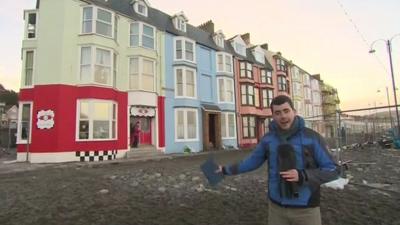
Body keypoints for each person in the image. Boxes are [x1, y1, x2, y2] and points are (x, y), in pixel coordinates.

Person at [218, 95, 338, 225]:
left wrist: (303, 175)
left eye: (286, 111)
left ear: (294, 112)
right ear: (273, 117)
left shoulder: (313, 138)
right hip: (276, 209)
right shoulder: (268, 140)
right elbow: (250, 162)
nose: (283, 116)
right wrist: (224, 170)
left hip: (306, 210)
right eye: (278, 113)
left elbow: (334, 170)